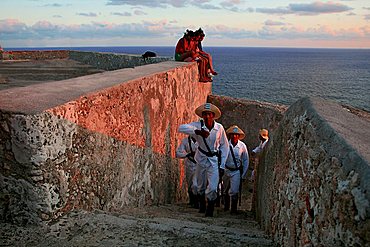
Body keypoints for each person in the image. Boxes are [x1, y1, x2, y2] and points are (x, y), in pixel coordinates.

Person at [178, 103, 229, 217]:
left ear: (213, 115)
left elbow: (224, 147)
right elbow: (181, 128)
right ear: (202, 116)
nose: (207, 117)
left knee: (212, 187)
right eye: (205, 114)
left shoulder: (219, 128)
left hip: (214, 161)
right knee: (200, 186)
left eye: (209, 114)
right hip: (201, 159)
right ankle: (202, 204)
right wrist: (197, 132)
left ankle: (209, 210)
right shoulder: (198, 125)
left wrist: (222, 165)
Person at [223, 125, 249, 214]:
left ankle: (233, 209)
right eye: (232, 134)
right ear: (230, 135)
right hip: (226, 169)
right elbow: (222, 157)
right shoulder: (225, 144)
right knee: (225, 189)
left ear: (238, 136)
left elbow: (245, 160)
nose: (234, 136)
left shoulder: (242, 146)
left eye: (236, 135)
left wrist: (243, 174)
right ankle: (226, 206)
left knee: (234, 190)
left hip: (236, 171)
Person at [176, 135, 199, 208]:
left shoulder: (202, 141)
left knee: (195, 184)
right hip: (189, 165)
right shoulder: (185, 141)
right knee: (190, 184)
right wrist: (187, 154)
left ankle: (197, 202)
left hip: (199, 166)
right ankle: (192, 200)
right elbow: (178, 153)